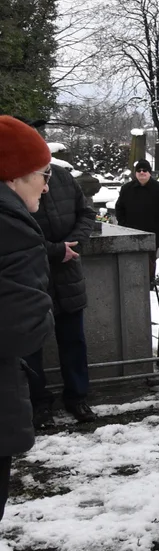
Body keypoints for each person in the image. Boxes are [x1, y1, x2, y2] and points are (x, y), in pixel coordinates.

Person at [24, 126, 98, 427]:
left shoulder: (63, 176)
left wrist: (74, 244)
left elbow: (87, 213)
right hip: (31, 273)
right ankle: (38, 404)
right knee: (31, 346)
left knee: (73, 341)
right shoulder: (13, 182)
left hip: (68, 272)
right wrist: (56, 250)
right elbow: (13, 234)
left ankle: (78, 398)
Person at [0, 115, 54, 521]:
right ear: (13, 175)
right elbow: (24, 328)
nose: (47, 184)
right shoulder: (12, 226)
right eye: (42, 173)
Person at [114, 159, 159, 282]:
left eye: (145, 170)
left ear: (149, 172)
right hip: (130, 234)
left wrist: (157, 229)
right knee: (131, 264)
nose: (142, 173)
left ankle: (149, 286)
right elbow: (119, 208)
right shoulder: (126, 189)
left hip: (151, 235)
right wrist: (124, 226)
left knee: (149, 264)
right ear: (135, 173)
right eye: (139, 170)